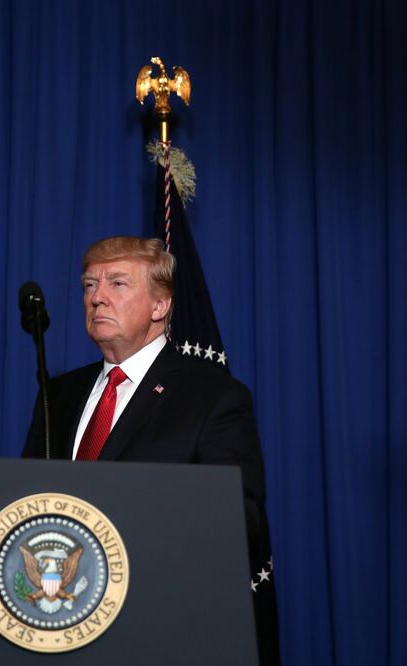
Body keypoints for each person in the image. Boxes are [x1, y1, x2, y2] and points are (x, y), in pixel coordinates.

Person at [22, 235, 279, 664]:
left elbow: (241, 518)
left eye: (117, 284)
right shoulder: (59, 393)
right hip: (60, 621)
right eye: (89, 285)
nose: (97, 298)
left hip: (161, 628)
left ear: (160, 307)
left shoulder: (212, 395)